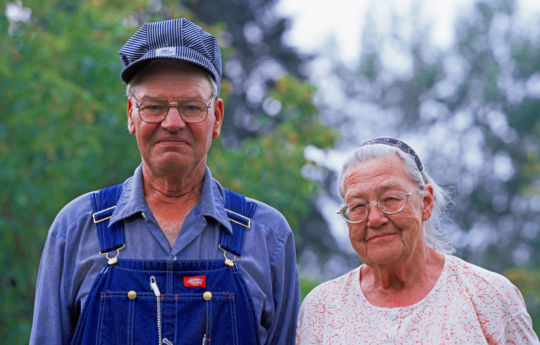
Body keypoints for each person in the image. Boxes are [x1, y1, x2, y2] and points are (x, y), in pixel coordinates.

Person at [30, 18, 299, 345]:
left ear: (217, 117)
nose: (173, 123)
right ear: (131, 114)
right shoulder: (76, 228)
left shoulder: (267, 236)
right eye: (154, 106)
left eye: (191, 107)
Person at [296, 137, 539, 344]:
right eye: (358, 206)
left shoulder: (489, 295)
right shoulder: (322, 308)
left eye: (390, 199)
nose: (375, 218)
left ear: (426, 203)